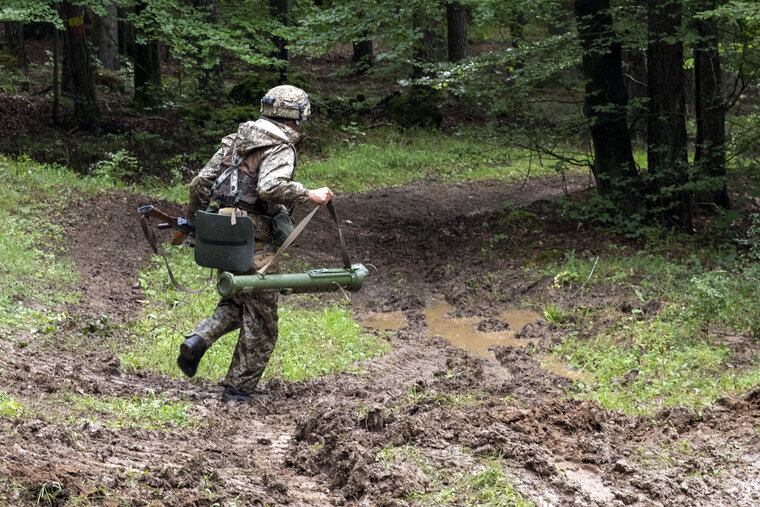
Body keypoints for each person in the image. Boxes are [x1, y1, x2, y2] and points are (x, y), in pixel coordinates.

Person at [176, 85, 333, 402]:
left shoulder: (236, 141)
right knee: (263, 321)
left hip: (222, 233)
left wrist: (195, 225)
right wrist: (309, 194)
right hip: (253, 238)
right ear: (297, 115)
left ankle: (197, 340)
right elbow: (270, 188)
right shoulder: (280, 146)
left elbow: (199, 184)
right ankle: (238, 392)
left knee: (238, 302)